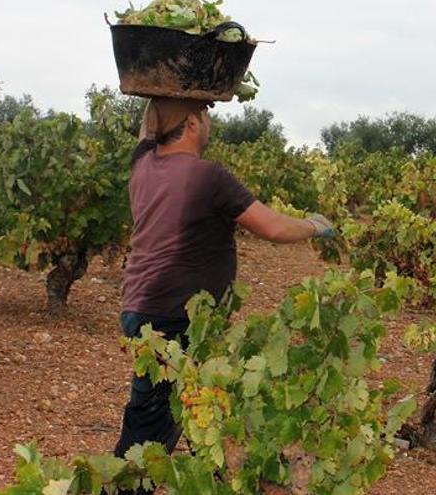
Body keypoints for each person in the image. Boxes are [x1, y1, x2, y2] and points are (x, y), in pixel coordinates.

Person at [114, 98, 333, 482]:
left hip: (142, 308)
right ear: (193, 123)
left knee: (199, 412)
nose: (210, 123)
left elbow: (148, 129)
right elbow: (274, 228)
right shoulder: (207, 177)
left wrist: (162, 90)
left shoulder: (143, 162)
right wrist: (315, 226)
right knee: (156, 429)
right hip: (175, 317)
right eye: (206, 113)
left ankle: (217, 483)